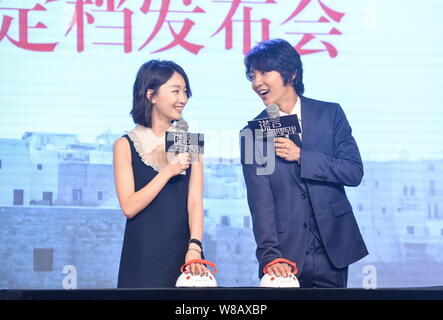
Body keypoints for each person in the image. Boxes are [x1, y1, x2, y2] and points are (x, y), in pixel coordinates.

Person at [240, 39, 368, 288]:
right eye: (252, 76)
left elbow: (353, 172)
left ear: (292, 72)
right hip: (286, 256)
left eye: (264, 72)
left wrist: (302, 156)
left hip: (334, 249)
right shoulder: (254, 133)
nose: (257, 83)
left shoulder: (330, 114)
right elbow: (260, 202)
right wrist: (270, 257)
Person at [114, 60, 208, 288]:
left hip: (184, 257)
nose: (183, 99)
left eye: (185, 92)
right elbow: (129, 206)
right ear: (151, 94)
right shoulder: (125, 144)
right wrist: (168, 171)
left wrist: (194, 247)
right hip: (142, 257)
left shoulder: (190, 142)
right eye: (175, 91)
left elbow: (195, 201)